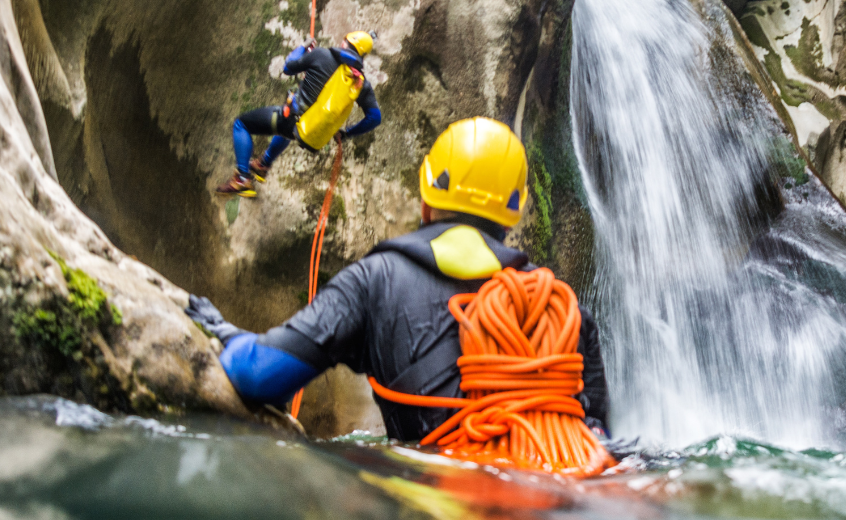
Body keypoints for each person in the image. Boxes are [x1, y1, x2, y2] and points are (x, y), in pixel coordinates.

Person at [189, 117, 609, 440]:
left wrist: (226, 332)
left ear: (427, 197)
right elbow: (598, 435)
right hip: (556, 511)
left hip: (435, 512)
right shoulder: (563, 307)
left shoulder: (375, 281)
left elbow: (259, 375)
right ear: (513, 213)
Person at [215, 31, 383, 197]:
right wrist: (346, 134)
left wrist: (303, 47)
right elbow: (375, 118)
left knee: (241, 124)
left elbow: (288, 67)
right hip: (305, 129)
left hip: (289, 118)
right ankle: (263, 164)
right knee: (287, 131)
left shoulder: (321, 55)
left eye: (344, 40)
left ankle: (242, 178)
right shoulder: (359, 83)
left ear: (347, 43)